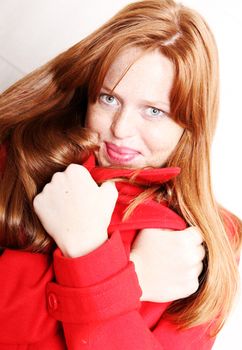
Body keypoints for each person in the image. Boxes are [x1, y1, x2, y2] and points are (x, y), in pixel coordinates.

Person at [0, 0, 241, 349]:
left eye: (154, 111)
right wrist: (132, 275)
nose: (121, 129)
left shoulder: (212, 245)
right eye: (109, 99)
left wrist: (90, 262)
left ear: (192, 124)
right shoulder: (23, 158)